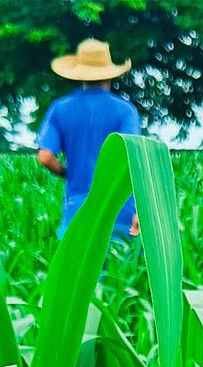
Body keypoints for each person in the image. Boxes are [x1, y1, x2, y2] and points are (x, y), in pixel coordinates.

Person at [37, 38, 140, 240]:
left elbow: (45, 157)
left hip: (78, 212)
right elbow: (133, 161)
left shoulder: (60, 108)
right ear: (109, 74)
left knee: (76, 269)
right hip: (120, 212)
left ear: (80, 74)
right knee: (119, 271)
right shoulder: (126, 111)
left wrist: (68, 172)